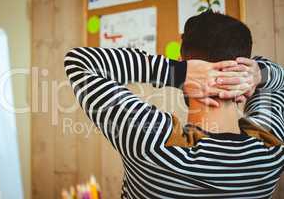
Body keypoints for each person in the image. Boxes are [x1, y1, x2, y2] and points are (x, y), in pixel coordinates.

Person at [64, 12, 284, 199]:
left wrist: (177, 73)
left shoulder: (153, 143)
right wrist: (258, 74)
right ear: (244, 74)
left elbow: (80, 63)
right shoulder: (270, 149)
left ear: (184, 62)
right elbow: (279, 82)